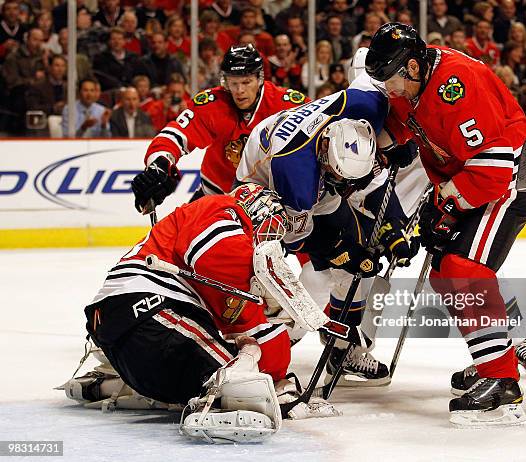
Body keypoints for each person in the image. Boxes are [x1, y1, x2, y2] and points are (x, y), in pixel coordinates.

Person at [365, 23, 526, 426]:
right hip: (465, 179)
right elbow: (401, 119)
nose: (391, 91)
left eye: (394, 81)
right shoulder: (412, 80)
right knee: (446, 272)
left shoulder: (457, 86)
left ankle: (502, 382)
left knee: (464, 270)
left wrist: (443, 204)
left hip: (504, 182)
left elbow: (492, 169)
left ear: (412, 66)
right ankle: (494, 357)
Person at [63, 185, 337, 443]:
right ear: (254, 209)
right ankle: (251, 393)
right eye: (270, 225)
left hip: (124, 324)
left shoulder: (202, 215)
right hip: (148, 312)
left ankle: (114, 385)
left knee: (218, 363)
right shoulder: (223, 210)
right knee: (248, 372)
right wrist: (277, 375)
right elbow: (241, 314)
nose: (268, 238)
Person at [235, 82, 418, 387]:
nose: (346, 188)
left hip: (312, 168)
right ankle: (263, 339)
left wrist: (395, 225)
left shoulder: (363, 110)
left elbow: (371, 183)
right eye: (338, 179)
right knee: (266, 273)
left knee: (357, 258)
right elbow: (297, 239)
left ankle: (343, 350)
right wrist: (339, 251)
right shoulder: (297, 179)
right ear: (324, 156)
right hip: (262, 188)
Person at [131, 45, 308, 213]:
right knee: (182, 241)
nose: (239, 90)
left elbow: (321, 129)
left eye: (246, 82)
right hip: (216, 194)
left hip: (271, 201)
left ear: (259, 79)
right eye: (234, 83)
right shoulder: (214, 103)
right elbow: (175, 135)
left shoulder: (287, 105)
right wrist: (159, 164)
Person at [93, 27, 139, 91]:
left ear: (124, 41)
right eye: (113, 39)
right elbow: (103, 78)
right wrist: (120, 86)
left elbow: (137, 76)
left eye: (120, 39)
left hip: (132, 91)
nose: (117, 42)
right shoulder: (101, 58)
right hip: (111, 91)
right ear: (109, 41)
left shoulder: (133, 57)